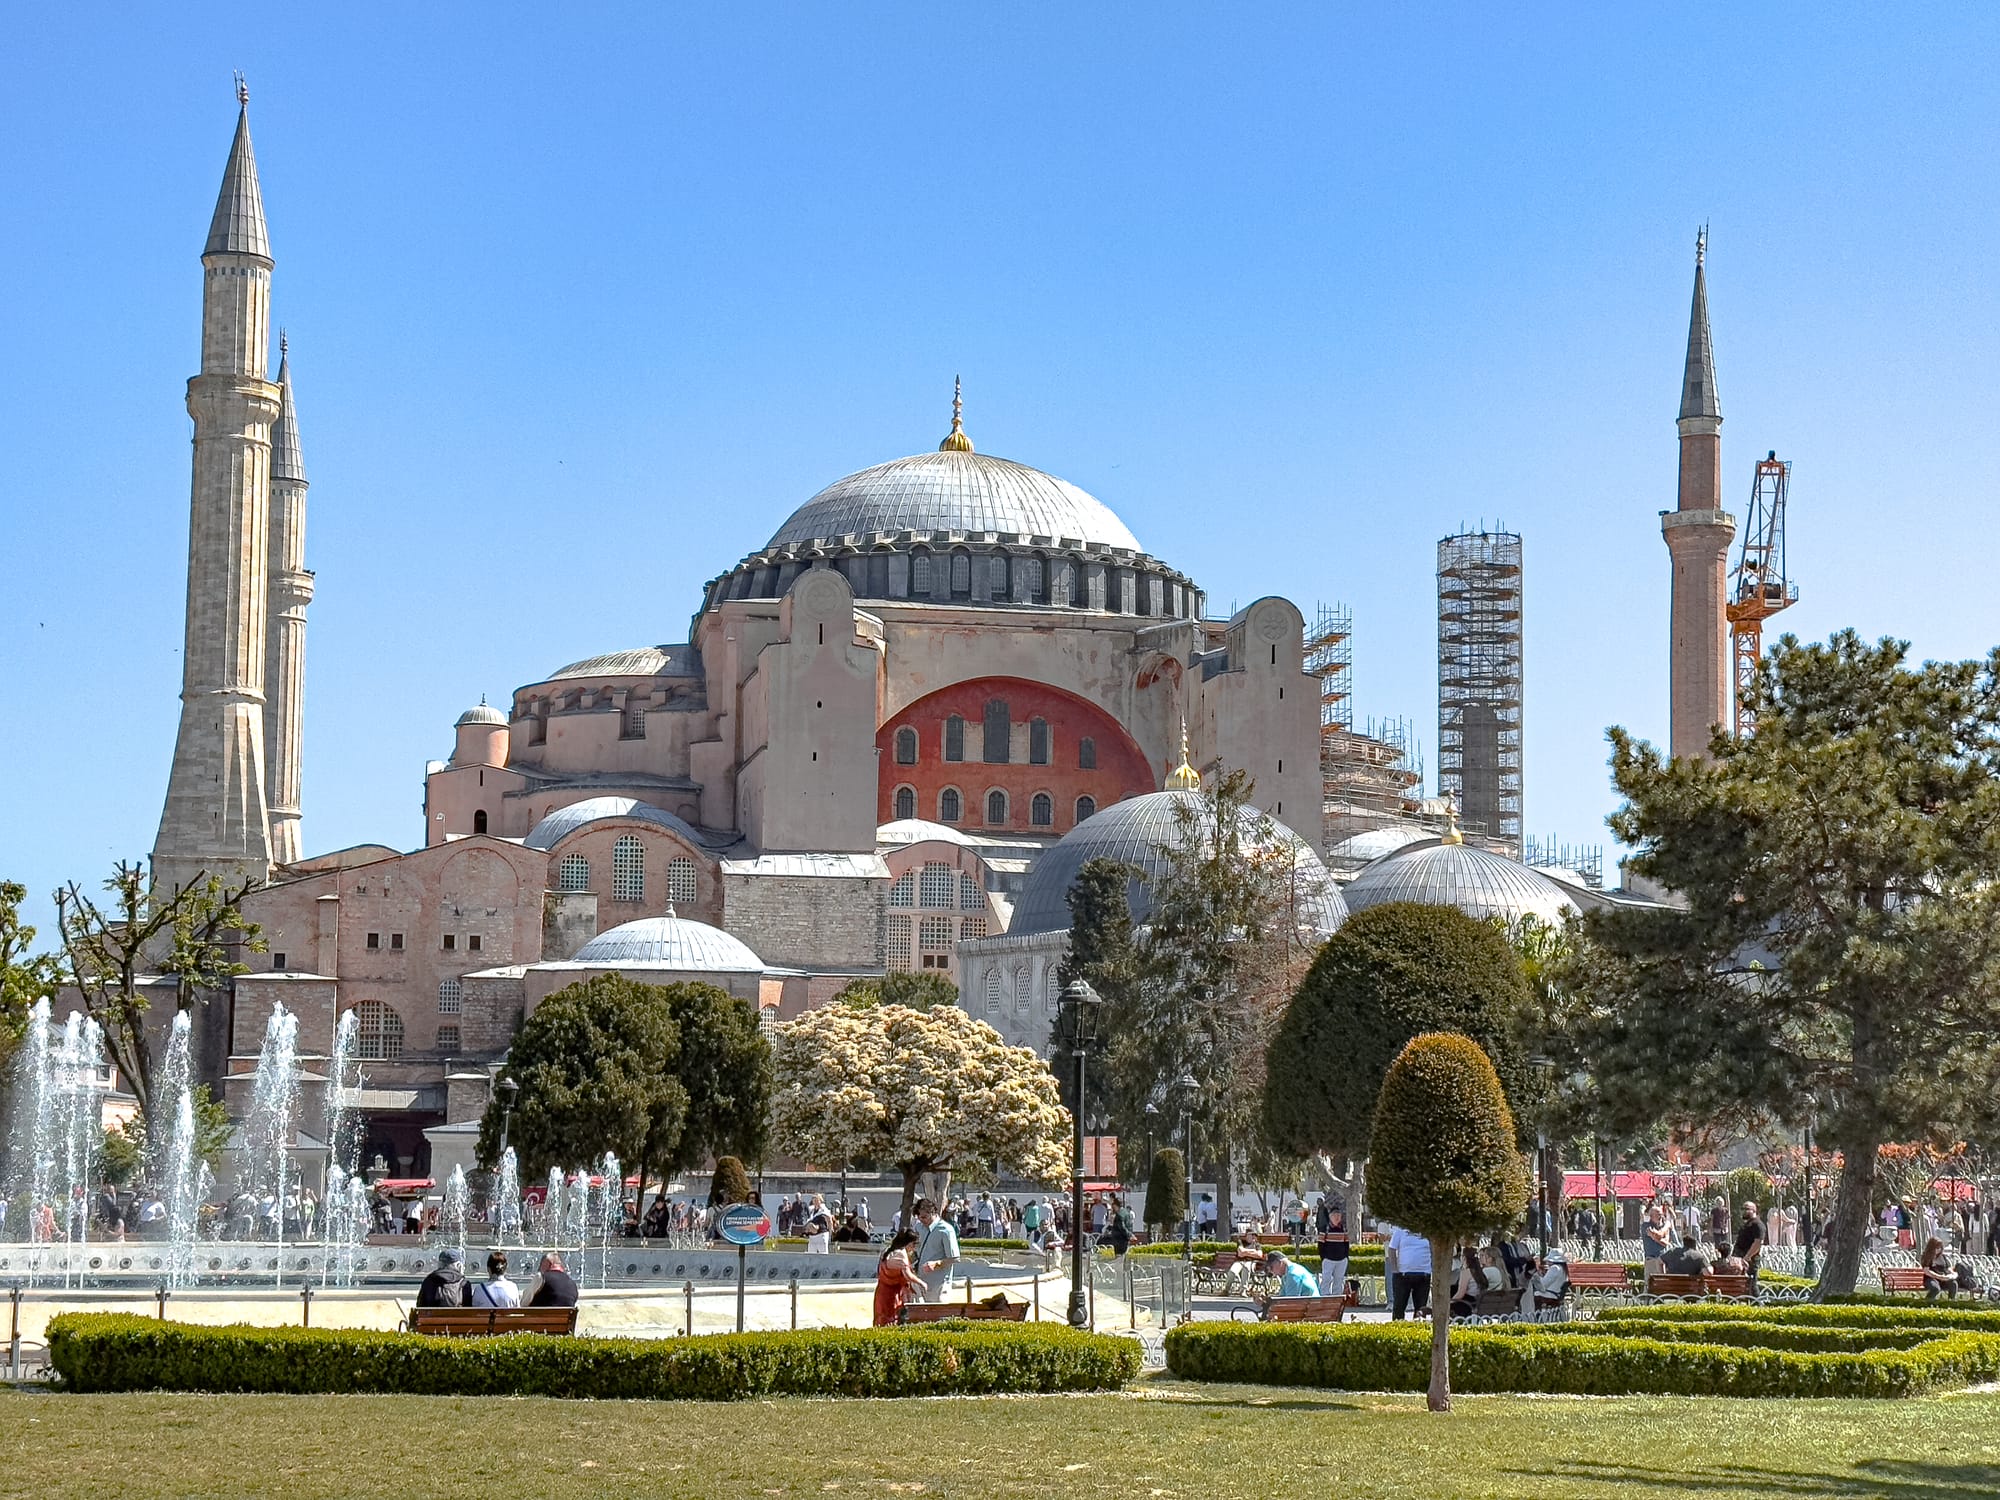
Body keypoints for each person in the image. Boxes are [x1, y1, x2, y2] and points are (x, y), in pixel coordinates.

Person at [873, 1229, 928, 1325]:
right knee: (891, 1321)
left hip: (882, 1291)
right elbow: (908, 1275)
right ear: (907, 1243)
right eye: (914, 1244)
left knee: (881, 1320)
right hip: (892, 1294)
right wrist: (921, 1283)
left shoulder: (887, 1250)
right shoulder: (900, 1253)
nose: (914, 1247)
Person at [912, 1198, 960, 1302]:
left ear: (933, 1213)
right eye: (919, 1217)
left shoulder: (946, 1230)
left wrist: (936, 1263)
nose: (921, 1220)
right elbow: (916, 1250)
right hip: (921, 1282)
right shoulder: (919, 1227)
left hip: (939, 1284)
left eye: (924, 1217)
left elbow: (955, 1258)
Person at [1386, 1223, 1432, 1321]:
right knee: (1399, 1307)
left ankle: (1418, 1332)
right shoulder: (1400, 1230)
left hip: (1423, 1275)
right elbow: (1392, 1248)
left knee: (1420, 1309)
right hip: (1403, 1275)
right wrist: (1394, 1269)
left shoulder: (1429, 1231)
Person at [1316, 1204, 1351, 1298]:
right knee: (1326, 1280)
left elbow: (1346, 1243)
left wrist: (1345, 1257)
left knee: (1338, 1281)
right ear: (1330, 1216)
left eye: (1339, 1216)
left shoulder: (1343, 1229)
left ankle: (1336, 1299)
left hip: (1341, 1260)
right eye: (1335, 1216)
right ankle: (1324, 1298)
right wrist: (1324, 1258)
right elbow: (1320, 1245)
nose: (1337, 1218)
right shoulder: (1324, 1229)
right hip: (1328, 1259)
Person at [1732, 1201, 1766, 1290]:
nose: (1743, 1211)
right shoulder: (1747, 1224)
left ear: (1754, 1210)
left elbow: (1758, 1242)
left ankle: (1757, 1303)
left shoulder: (1757, 1224)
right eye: (1742, 1209)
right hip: (1740, 1258)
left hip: (1749, 1260)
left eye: (1746, 1209)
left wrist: (1747, 1257)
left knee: (1751, 1285)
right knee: (1739, 1285)